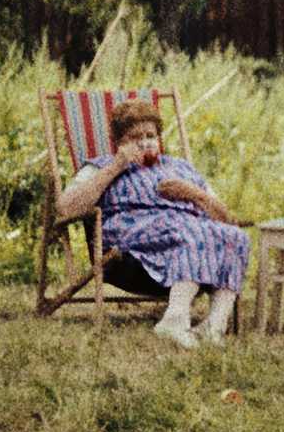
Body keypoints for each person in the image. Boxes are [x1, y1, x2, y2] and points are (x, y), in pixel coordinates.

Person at [56, 99, 250, 349]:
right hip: (130, 248)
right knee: (190, 230)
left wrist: (195, 194)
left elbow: (226, 219)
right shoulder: (101, 166)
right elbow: (66, 208)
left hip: (186, 237)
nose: (145, 141)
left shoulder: (181, 168)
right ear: (120, 142)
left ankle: (214, 327)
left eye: (150, 135)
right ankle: (175, 320)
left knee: (236, 236)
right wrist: (117, 166)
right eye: (135, 136)